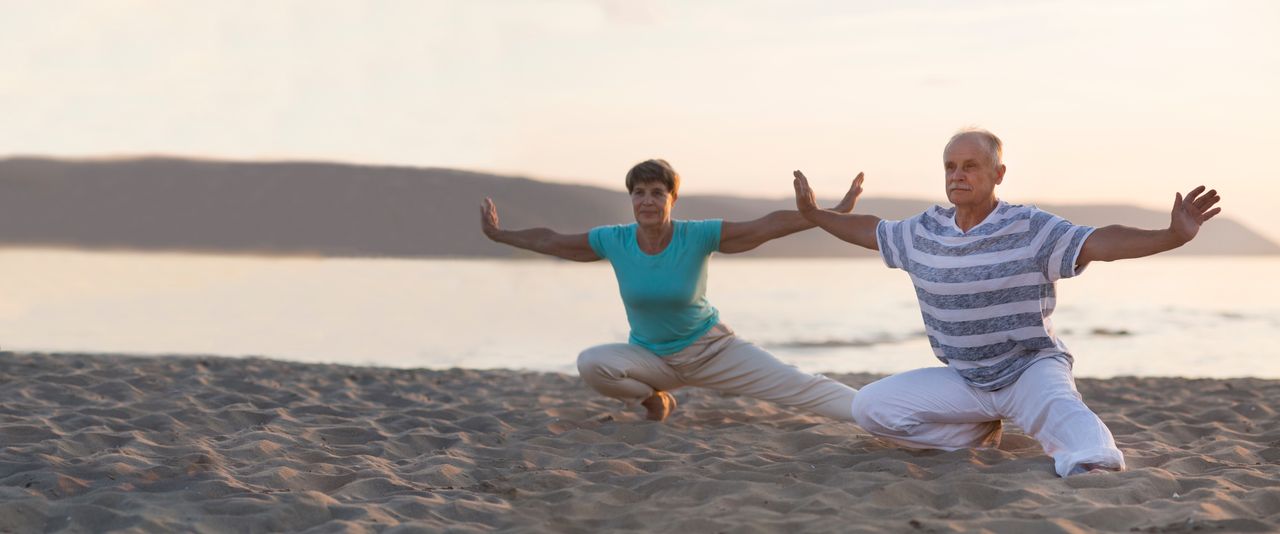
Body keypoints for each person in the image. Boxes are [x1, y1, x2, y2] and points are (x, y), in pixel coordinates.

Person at [791, 128, 1222, 477]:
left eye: (970, 166)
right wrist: (815, 216)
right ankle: (976, 436)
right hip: (965, 379)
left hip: (1028, 370)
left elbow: (1100, 241)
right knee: (870, 407)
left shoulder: (1030, 226)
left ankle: (1092, 467)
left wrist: (1170, 237)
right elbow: (871, 230)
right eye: (950, 166)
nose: (957, 175)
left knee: (1076, 434)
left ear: (998, 173)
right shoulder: (924, 231)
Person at [481, 158, 861, 423]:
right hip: (653, 359)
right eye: (639, 192)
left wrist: (823, 214)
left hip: (714, 351)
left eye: (657, 192)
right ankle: (654, 400)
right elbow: (554, 241)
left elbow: (763, 226)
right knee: (593, 363)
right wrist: (501, 235)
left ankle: (890, 413)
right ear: (631, 198)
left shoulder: (696, 234)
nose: (647, 200)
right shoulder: (614, 240)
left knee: (805, 388)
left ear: (672, 199)